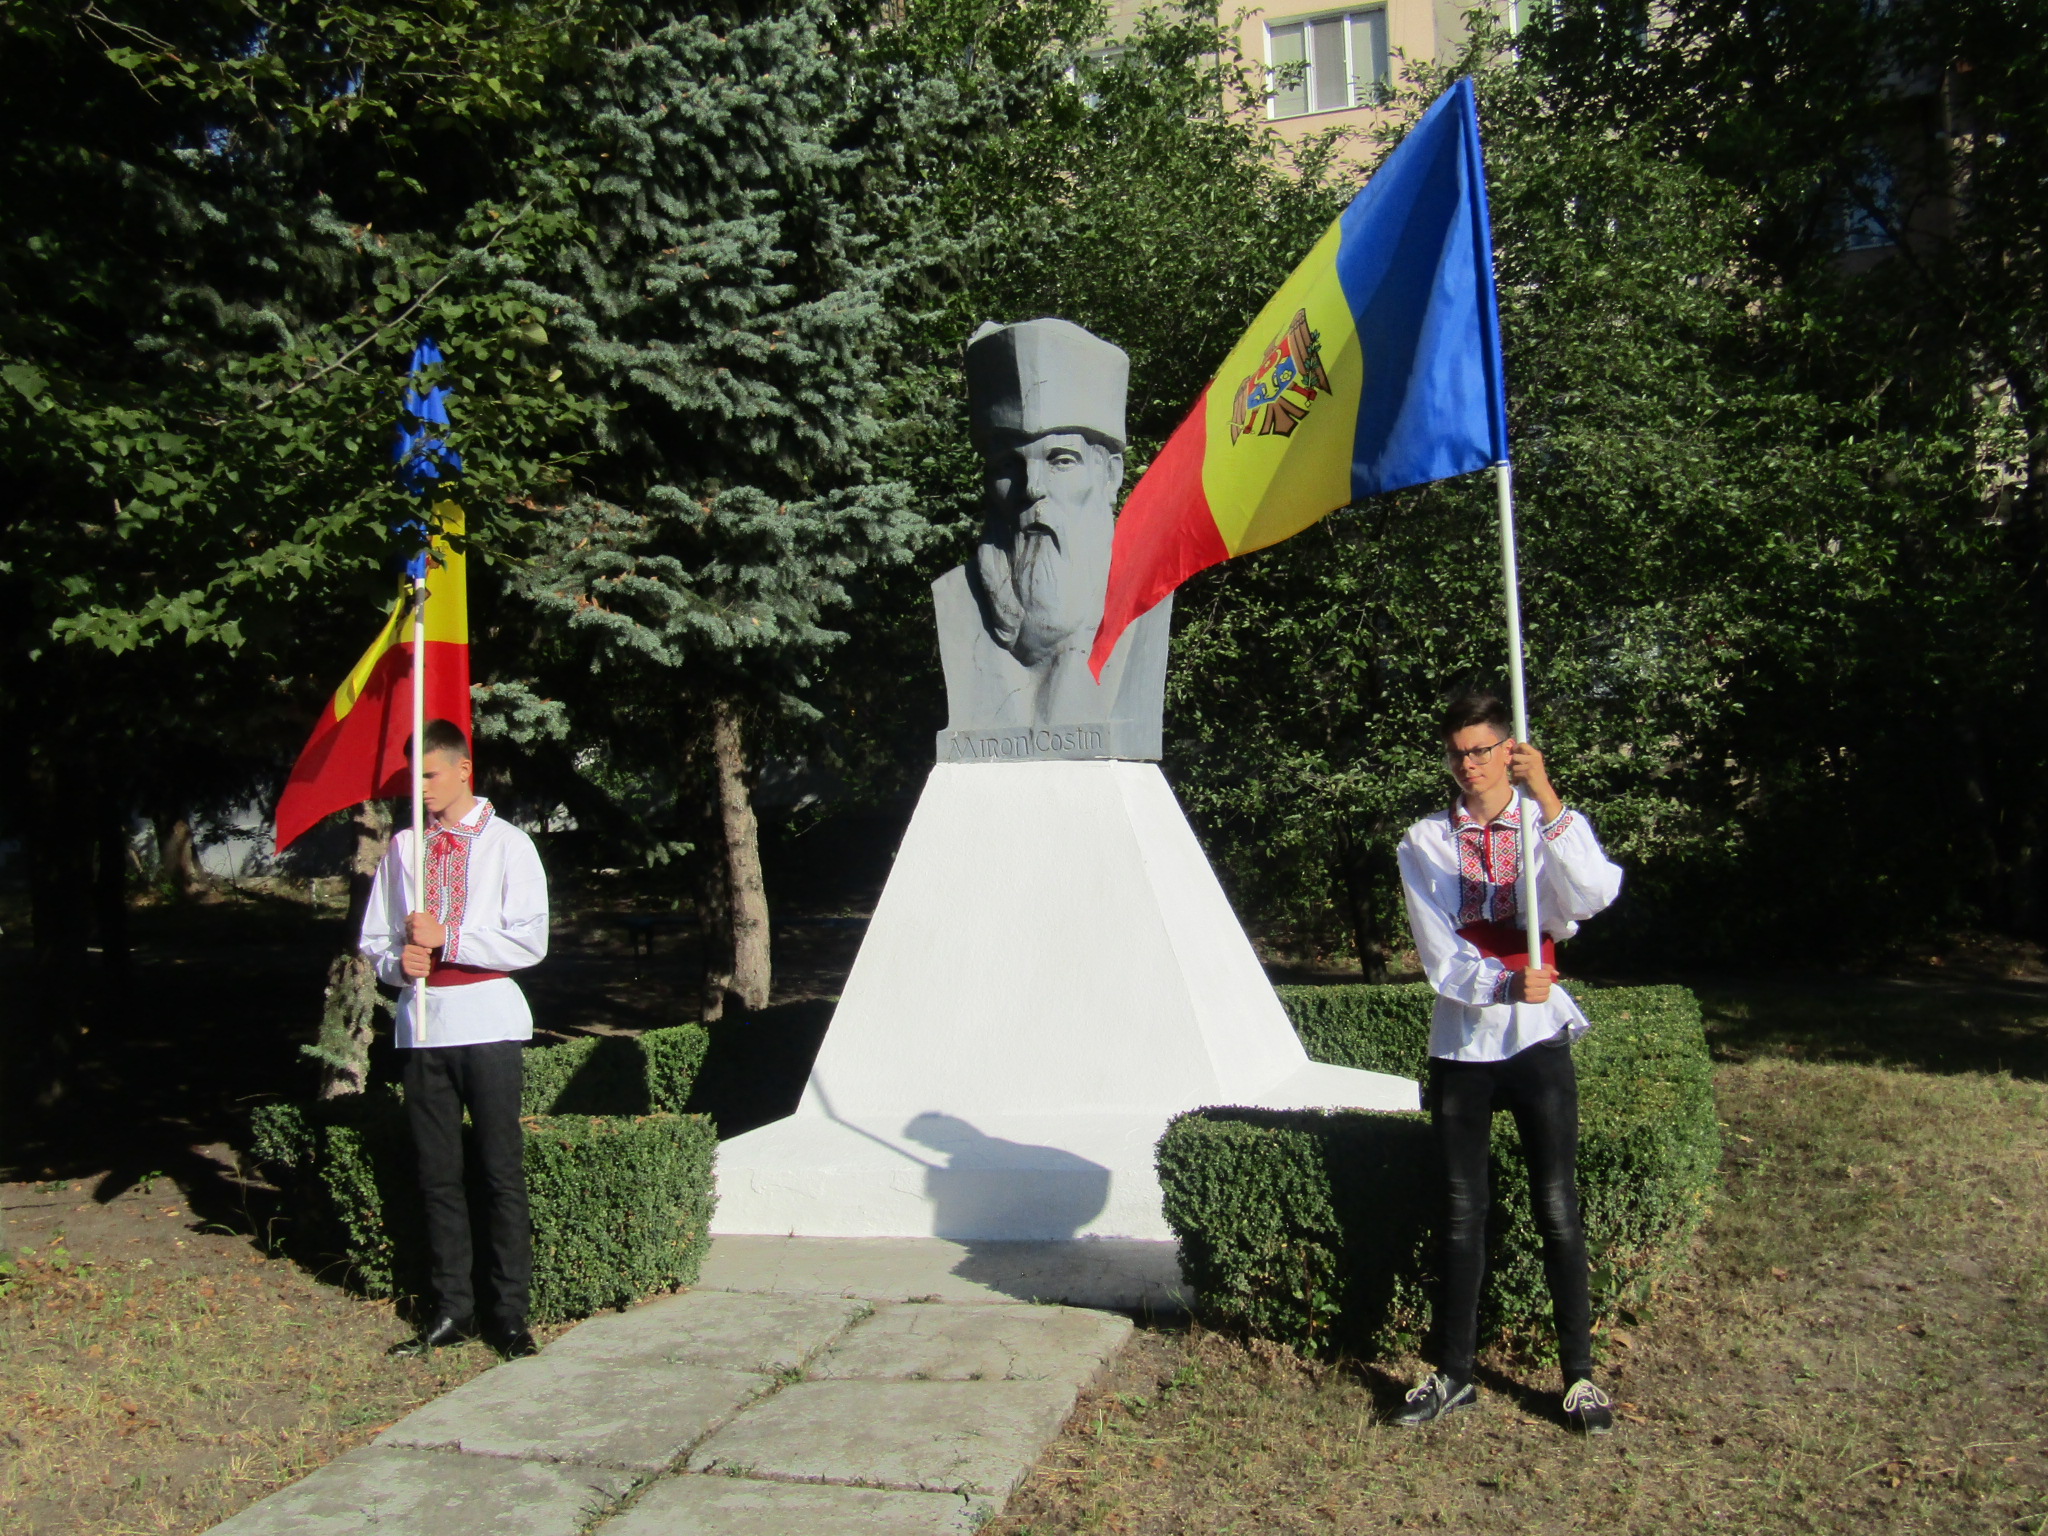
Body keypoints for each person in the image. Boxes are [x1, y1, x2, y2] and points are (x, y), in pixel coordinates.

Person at [1390, 691, 1625, 1434]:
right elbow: (1436, 947)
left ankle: (1579, 1376)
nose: (1470, 765)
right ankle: (1454, 1372)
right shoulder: (1425, 841)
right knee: (1462, 1209)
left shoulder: (1540, 824)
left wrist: (1547, 795)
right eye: (1457, 753)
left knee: (1557, 1204)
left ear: (1508, 751)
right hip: (1464, 1042)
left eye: (1482, 750)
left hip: (1537, 1037)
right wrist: (1499, 983)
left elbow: (1593, 893)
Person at [361, 719, 549, 1359]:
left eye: (430, 774)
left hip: (489, 1022)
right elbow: (376, 938)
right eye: (412, 777)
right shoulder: (404, 848)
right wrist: (400, 963)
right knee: (437, 1174)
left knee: (499, 1170)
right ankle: (452, 1310)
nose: (420, 788)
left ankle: (510, 1314)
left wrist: (451, 939)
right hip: (423, 1024)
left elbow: (530, 939)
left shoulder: (509, 845)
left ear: (464, 770)